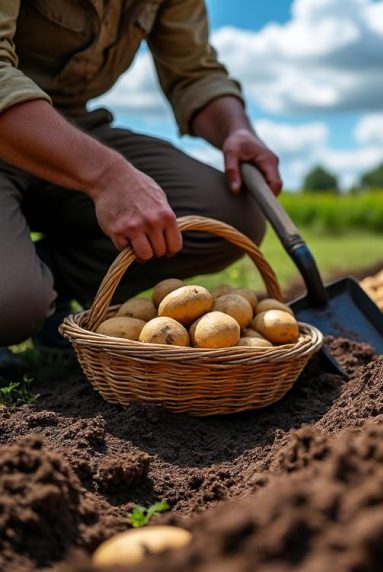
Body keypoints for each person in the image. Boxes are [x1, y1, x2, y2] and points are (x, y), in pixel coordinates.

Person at [0, 0, 280, 360]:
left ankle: (48, 284)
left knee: (231, 212)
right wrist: (106, 175)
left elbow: (194, 72)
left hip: (67, 125)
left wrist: (236, 130)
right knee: (11, 305)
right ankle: (20, 295)